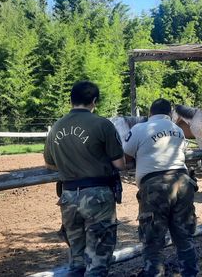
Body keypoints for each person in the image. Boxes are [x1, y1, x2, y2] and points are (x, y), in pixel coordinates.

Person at [44, 81, 125, 276]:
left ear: (70, 100)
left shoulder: (56, 127)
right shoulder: (102, 124)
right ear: (94, 101)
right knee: (98, 258)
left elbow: (49, 163)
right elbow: (119, 164)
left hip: (68, 196)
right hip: (97, 196)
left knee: (76, 258)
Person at [123, 98, 199, 277]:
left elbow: (125, 157)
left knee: (153, 240)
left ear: (150, 112)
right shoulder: (178, 130)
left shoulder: (139, 129)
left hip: (155, 186)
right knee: (184, 238)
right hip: (182, 181)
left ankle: (154, 273)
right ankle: (190, 273)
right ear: (170, 114)